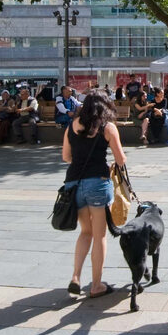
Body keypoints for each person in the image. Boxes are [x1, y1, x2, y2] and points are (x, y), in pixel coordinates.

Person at [62, 92, 126, 299]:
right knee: (100, 235)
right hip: (97, 183)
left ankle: (75, 277)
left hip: (74, 183)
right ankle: (96, 285)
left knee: (85, 232)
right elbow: (120, 159)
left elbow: (66, 157)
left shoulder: (72, 125)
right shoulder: (107, 127)